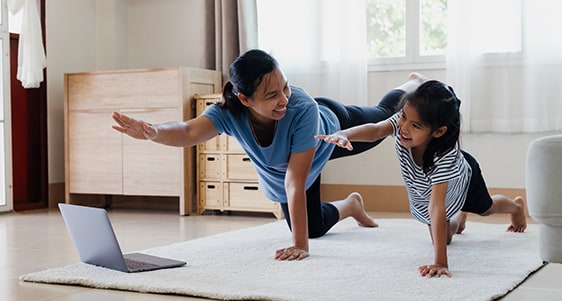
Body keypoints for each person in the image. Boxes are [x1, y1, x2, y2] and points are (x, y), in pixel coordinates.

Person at [112, 49, 424, 261]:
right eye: (272, 95)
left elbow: (295, 179)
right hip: (296, 165)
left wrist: (298, 246)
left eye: (285, 87)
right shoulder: (228, 113)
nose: (283, 99)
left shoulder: (302, 108)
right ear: (244, 99)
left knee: (386, 119)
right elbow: (188, 131)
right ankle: (351, 204)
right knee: (313, 228)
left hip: (330, 130)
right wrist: (153, 131)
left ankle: (409, 84)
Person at [316, 79, 528, 276]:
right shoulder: (402, 124)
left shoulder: (445, 157)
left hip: (464, 179)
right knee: (444, 239)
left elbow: (436, 205)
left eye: (415, 126)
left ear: (438, 132)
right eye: (404, 117)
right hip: (431, 191)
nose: (404, 128)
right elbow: (375, 130)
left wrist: (441, 263)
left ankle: (515, 207)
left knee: (485, 208)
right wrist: (344, 134)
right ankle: (459, 214)